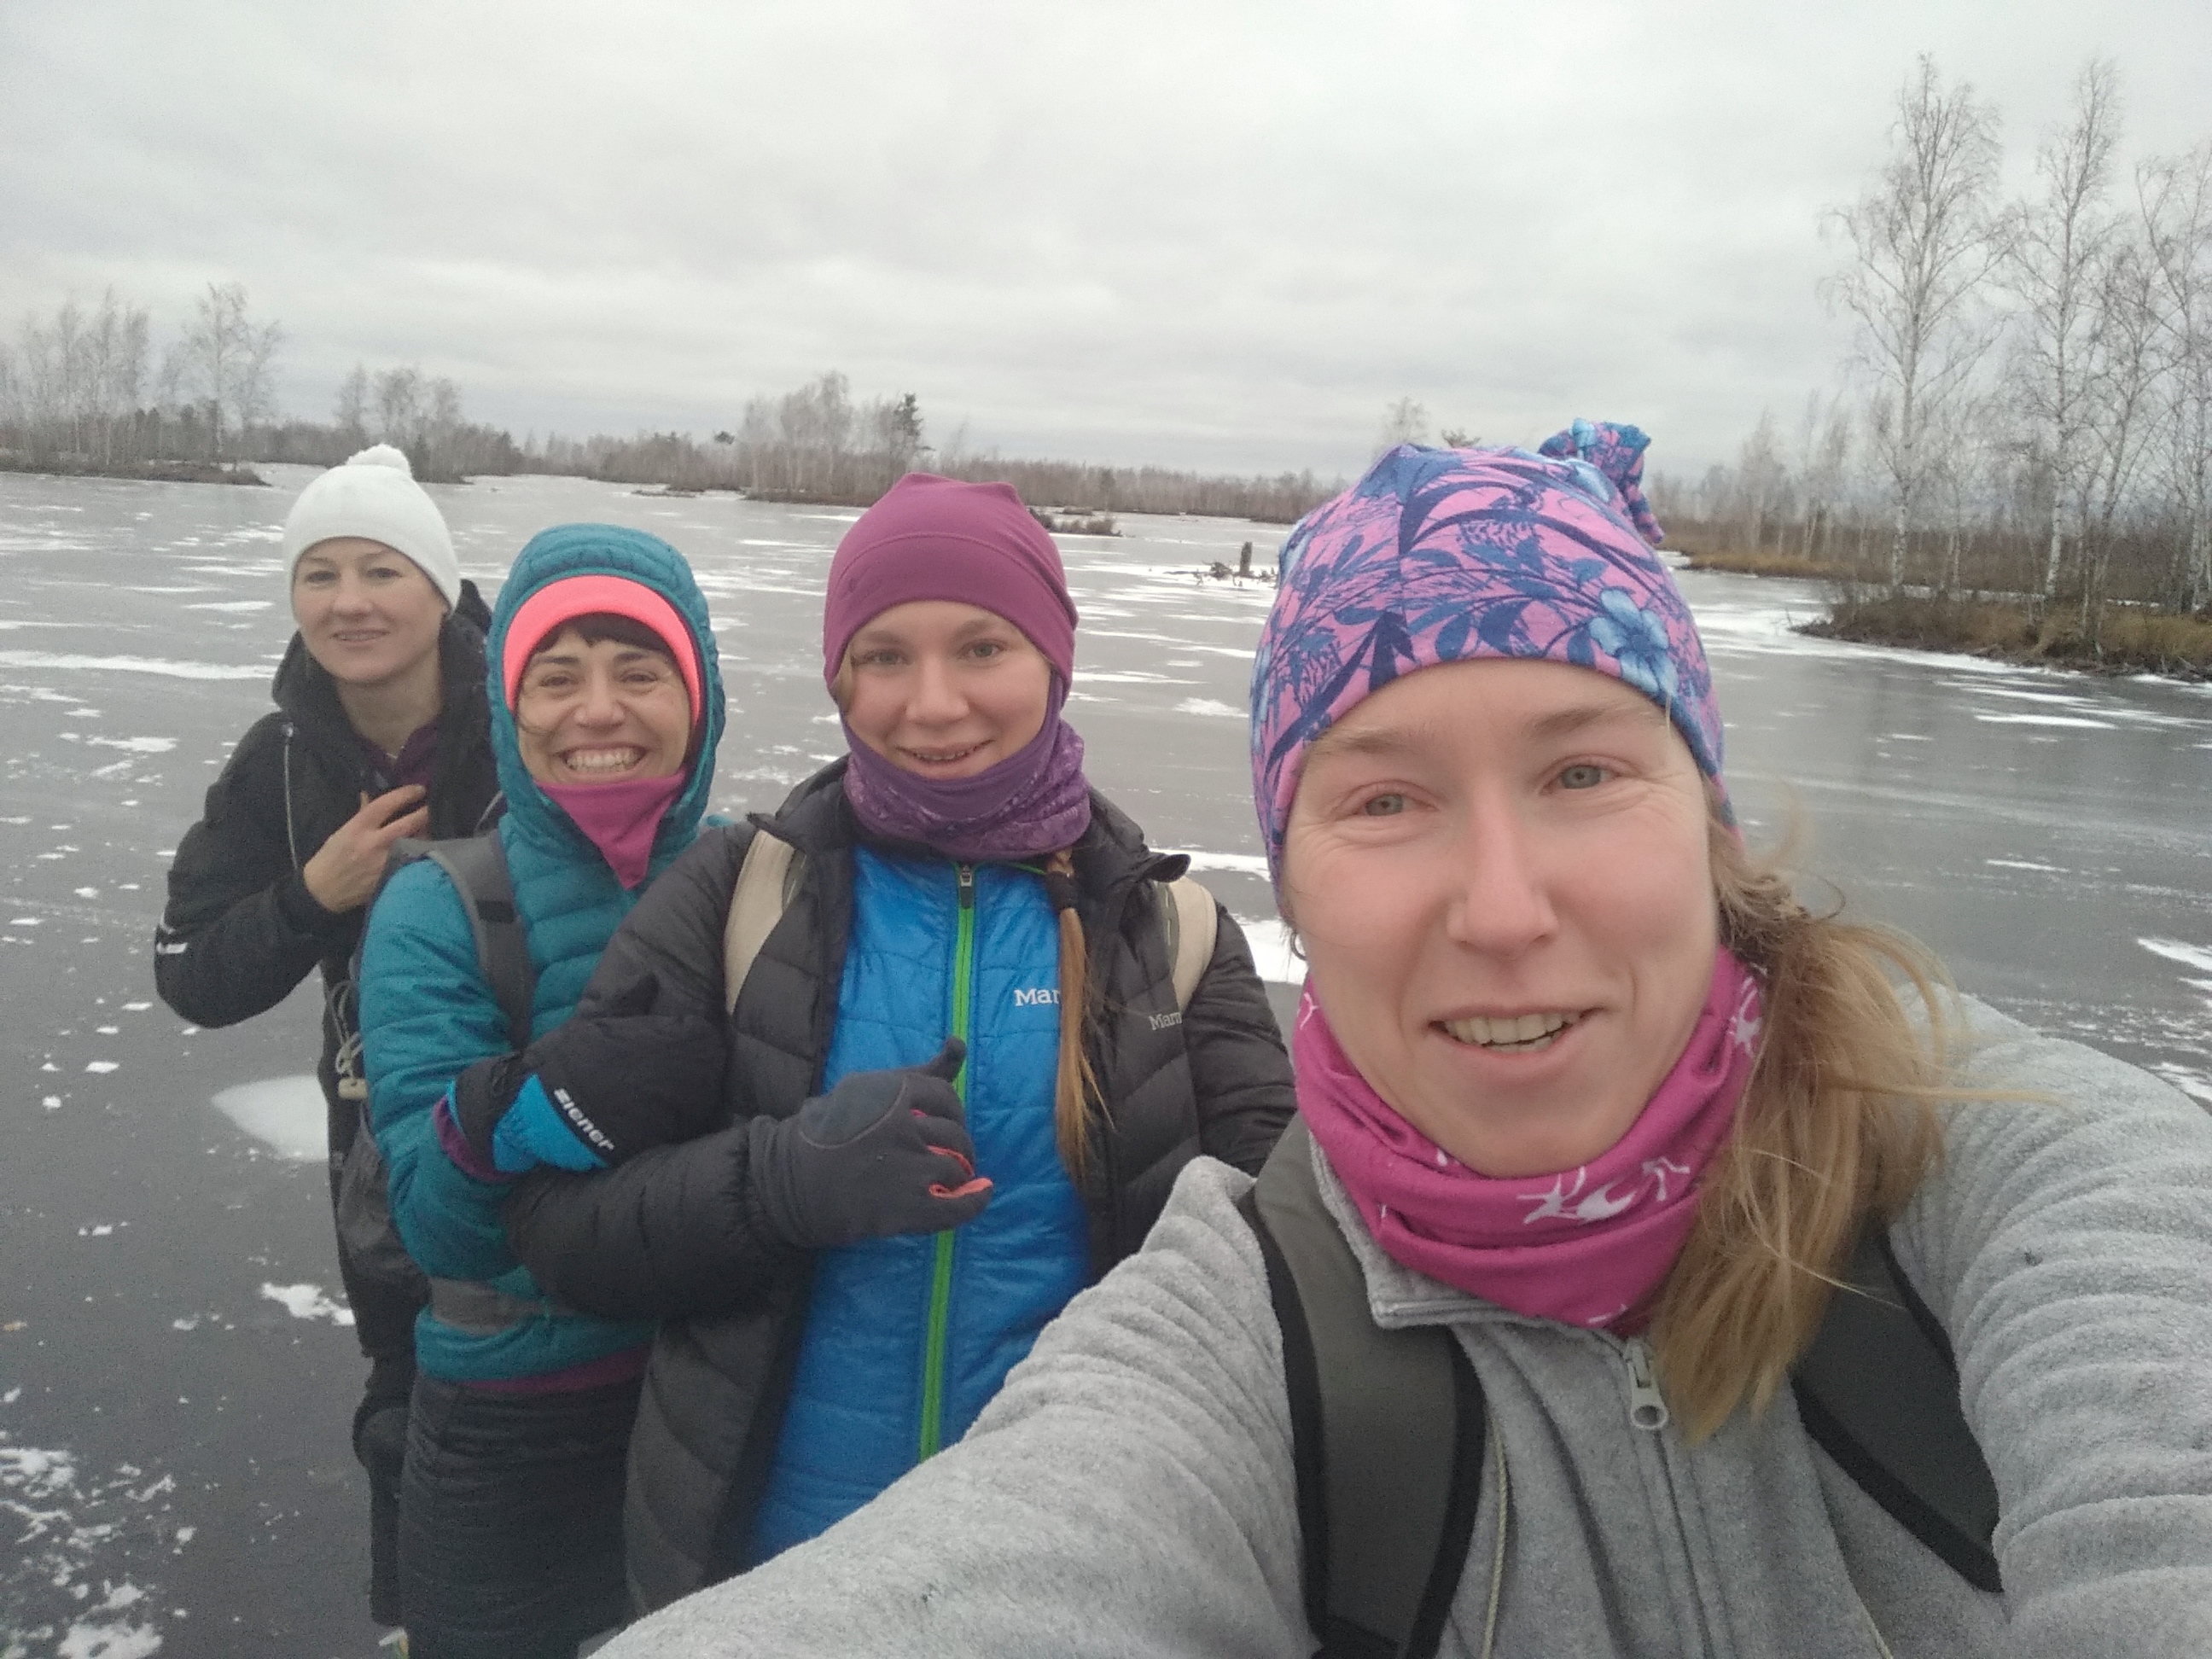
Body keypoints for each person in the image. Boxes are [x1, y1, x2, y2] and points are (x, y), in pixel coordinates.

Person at [591, 429, 2212, 1658]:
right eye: (1385, 797)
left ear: (1710, 821)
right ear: (1300, 878)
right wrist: (781, 1187)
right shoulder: (1252, 1323)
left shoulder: (2013, 1171)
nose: (1502, 909)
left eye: (1583, 772)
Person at [465, 471, 1297, 1614]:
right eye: (886, 656)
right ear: (839, 677)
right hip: (770, 1583)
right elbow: (557, 1229)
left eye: (982, 648)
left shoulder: (1171, 935)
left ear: (1054, 660)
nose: (934, 703)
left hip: (1074, 1583)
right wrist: (777, 1185)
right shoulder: (741, 898)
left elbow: (1283, 1274)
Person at [355, 523, 725, 1656]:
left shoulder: (758, 877)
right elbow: (437, 1226)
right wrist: (529, 1107)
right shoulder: (441, 907)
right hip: (511, 1433)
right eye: (556, 679)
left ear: (700, 696)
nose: (597, 711)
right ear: (509, 712)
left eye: (639, 672)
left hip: (721, 1399)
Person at [152, 444, 499, 1623]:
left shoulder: (530, 717)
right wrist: (312, 896)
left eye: (381, 570)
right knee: (407, 1407)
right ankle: (416, 1624)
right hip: (381, 1148)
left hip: (544, 1115)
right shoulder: (283, 763)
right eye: (320, 574)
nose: (349, 602)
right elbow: (190, 973)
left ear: (441, 588)